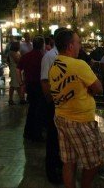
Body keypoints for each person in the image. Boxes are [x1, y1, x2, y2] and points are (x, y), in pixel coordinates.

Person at [49, 29, 104, 188]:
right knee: (95, 161)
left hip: (61, 117)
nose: (80, 46)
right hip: (80, 121)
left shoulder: (55, 64)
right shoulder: (79, 64)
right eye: (78, 42)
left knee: (69, 161)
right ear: (70, 46)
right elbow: (99, 88)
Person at [41, 28, 63, 184]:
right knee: (53, 137)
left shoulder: (64, 56)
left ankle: (61, 165)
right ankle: (51, 170)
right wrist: (51, 101)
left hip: (65, 104)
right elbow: (44, 80)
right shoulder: (50, 56)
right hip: (54, 103)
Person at [17, 37, 45, 141]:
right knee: (39, 110)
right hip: (39, 85)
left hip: (29, 85)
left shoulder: (26, 56)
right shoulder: (42, 57)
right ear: (42, 45)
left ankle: (28, 132)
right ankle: (36, 134)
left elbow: (18, 69)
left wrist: (21, 83)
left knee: (32, 108)